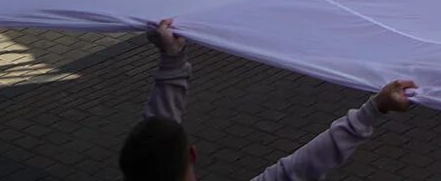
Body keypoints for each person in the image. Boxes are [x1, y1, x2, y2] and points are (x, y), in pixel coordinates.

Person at [118, 19, 415, 181]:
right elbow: (295, 170)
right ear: (192, 154)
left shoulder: (148, 166)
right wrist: (374, 109)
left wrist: (172, 62)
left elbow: (157, 137)